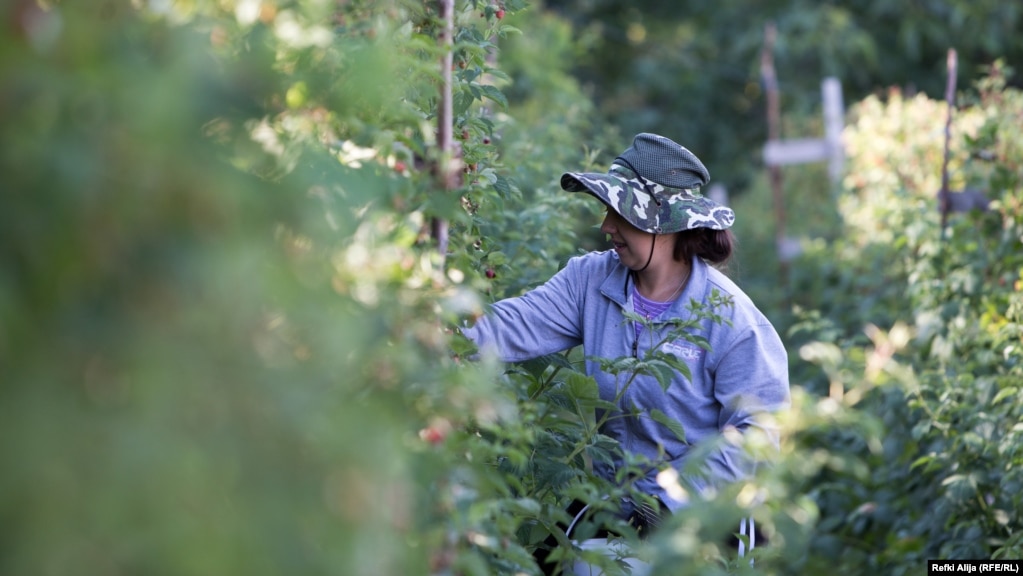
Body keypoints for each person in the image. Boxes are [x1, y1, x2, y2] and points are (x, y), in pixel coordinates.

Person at [461, 133, 790, 571]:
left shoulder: (728, 318)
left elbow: (760, 435)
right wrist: (428, 332)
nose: (606, 227)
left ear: (664, 224)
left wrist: (667, 500)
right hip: (615, 502)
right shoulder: (589, 281)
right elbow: (507, 327)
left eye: (620, 213)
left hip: (706, 517)